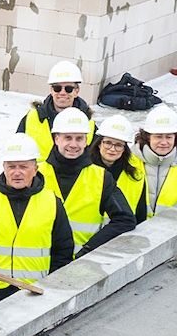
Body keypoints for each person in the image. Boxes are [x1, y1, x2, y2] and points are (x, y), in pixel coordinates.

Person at [0, 135, 75, 315]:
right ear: (4, 168)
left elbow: (63, 252)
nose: (16, 172)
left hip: (33, 294)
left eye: (23, 166)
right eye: (11, 166)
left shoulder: (52, 202)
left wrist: (48, 288)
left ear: (35, 169)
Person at [38, 107, 135, 253]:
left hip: (79, 264)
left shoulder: (101, 177)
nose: (73, 144)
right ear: (56, 138)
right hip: (40, 263)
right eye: (68, 138)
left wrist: (90, 247)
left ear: (86, 140)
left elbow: (125, 219)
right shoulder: (37, 174)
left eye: (79, 138)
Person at [15, 61, 94, 161]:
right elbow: (16, 153)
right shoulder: (32, 118)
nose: (62, 93)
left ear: (76, 91)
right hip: (38, 175)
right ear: (51, 90)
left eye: (68, 89)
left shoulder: (89, 122)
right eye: (57, 88)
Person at [134, 104, 177, 217]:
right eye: (158, 136)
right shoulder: (131, 161)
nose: (164, 142)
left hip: (172, 229)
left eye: (169, 137)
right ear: (148, 137)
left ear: (175, 138)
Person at [93, 114, 147, 218]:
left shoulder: (135, 175)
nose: (112, 149)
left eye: (118, 145)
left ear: (124, 148)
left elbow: (141, 212)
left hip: (123, 232)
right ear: (99, 144)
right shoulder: (85, 170)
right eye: (108, 143)